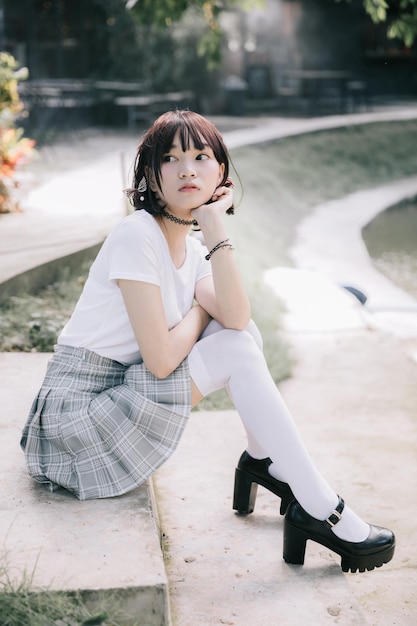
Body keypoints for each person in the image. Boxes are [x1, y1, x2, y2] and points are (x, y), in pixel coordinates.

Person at [21, 110, 394, 574]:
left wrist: (215, 228)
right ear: (152, 179)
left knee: (240, 335)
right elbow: (159, 361)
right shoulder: (136, 235)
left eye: (201, 157)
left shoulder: (192, 247)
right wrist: (201, 311)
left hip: (113, 398)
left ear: (220, 172)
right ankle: (319, 504)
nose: (187, 170)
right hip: (76, 422)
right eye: (171, 159)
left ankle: (263, 461)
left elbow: (238, 317)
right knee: (232, 345)